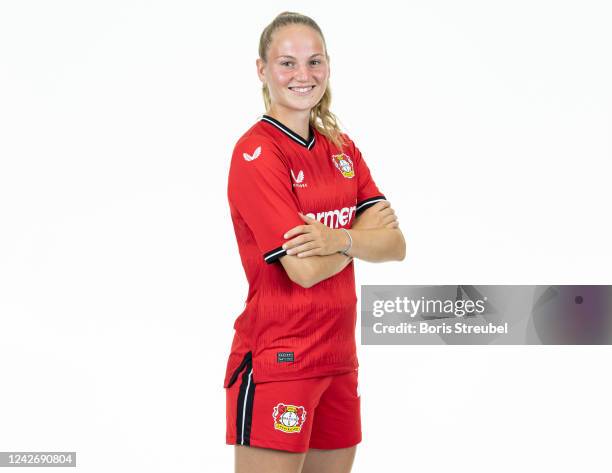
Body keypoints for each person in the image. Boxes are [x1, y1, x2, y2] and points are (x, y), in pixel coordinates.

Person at [224, 11, 406, 473]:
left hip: (340, 359)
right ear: (262, 70)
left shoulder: (342, 147)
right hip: (280, 361)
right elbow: (301, 271)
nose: (303, 75)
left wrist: (334, 238)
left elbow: (396, 244)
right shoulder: (257, 154)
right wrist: (360, 240)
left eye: (314, 62)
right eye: (287, 63)